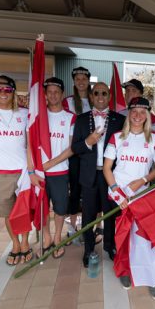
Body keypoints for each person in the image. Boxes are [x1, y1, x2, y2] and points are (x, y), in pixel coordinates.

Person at [103, 96, 155, 298]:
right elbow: (107, 168)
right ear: (128, 114)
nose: (138, 115)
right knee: (123, 234)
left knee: (145, 237)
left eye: (142, 112)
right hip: (119, 195)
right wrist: (116, 190)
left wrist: (142, 180)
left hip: (142, 194)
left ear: (147, 116)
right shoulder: (117, 136)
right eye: (134, 111)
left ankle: (151, 275)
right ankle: (125, 270)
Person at [71, 82, 125, 266]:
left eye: (104, 93)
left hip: (111, 176)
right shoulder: (81, 119)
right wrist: (88, 141)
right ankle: (88, 250)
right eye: (96, 93)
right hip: (89, 175)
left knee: (110, 213)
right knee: (88, 215)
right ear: (92, 96)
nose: (100, 96)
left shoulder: (120, 120)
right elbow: (75, 148)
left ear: (109, 96)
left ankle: (110, 246)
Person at [0, 75, 35, 265]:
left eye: (7, 89)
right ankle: (14, 243)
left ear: (13, 92)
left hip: (23, 172)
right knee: (8, 214)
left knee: (23, 211)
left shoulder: (24, 113)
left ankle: (25, 244)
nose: (3, 93)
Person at [41, 77, 75, 259]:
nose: (53, 95)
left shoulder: (70, 117)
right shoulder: (37, 116)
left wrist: (50, 164)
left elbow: (72, 148)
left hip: (60, 171)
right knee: (42, 208)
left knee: (60, 208)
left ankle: (57, 237)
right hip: (39, 173)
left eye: (56, 92)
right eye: (49, 91)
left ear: (62, 94)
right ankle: (46, 238)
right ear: (45, 94)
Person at [62, 67, 92, 243]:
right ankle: (72, 228)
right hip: (74, 152)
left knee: (90, 192)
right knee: (74, 191)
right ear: (73, 81)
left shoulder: (95, 98)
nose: (81, 82)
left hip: (91, 152)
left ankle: (92, 226)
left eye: (84, 78)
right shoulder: (68, 101)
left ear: (88, 80)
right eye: (77, 79)